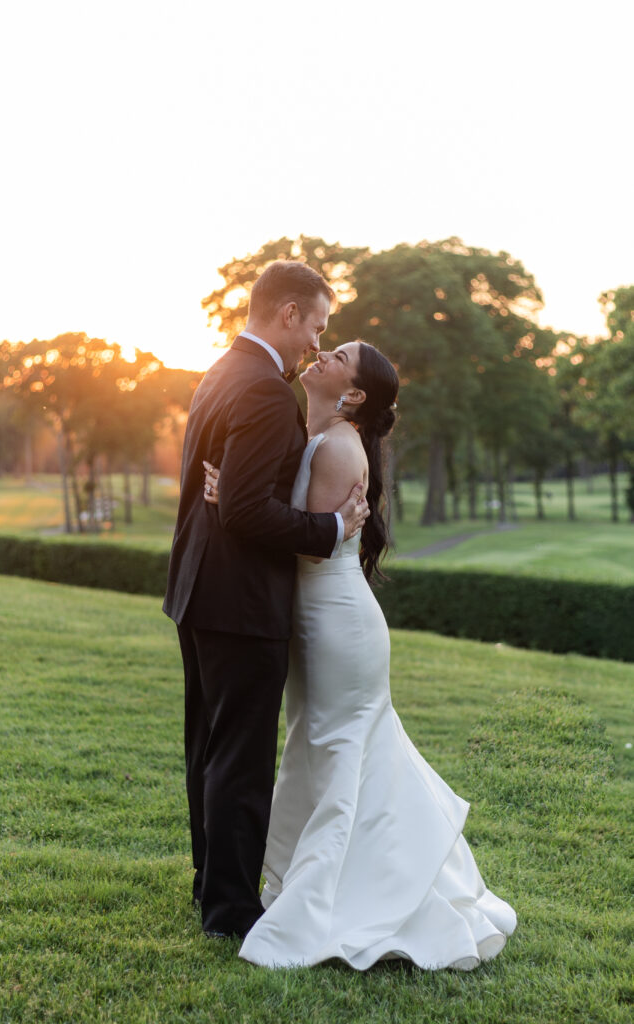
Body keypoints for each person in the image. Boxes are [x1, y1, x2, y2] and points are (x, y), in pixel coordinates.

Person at [203, 340, 517, 970]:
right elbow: (280, 520)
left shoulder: (336, 445)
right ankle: (334, 883)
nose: (322, 354)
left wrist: (231, 506)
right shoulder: (321, 437)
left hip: (335, 625)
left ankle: (345, 901)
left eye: (338, 355)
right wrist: (235, 499)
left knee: (342, 750)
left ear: (353, 394)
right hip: (319, 618)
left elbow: (302, 543)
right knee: (325, 747)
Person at [163, 261, 370, 939]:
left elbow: (233, 497)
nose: (316, 340)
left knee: (210, 751)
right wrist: (332, 528)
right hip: (241, 599)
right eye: (315, 325)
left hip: (200, 592)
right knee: (241, 761)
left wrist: (245, 501)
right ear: (287, 314)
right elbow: (246, 512)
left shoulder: (224, 371)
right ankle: (229, 910)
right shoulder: (260, 391)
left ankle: (210, 889)